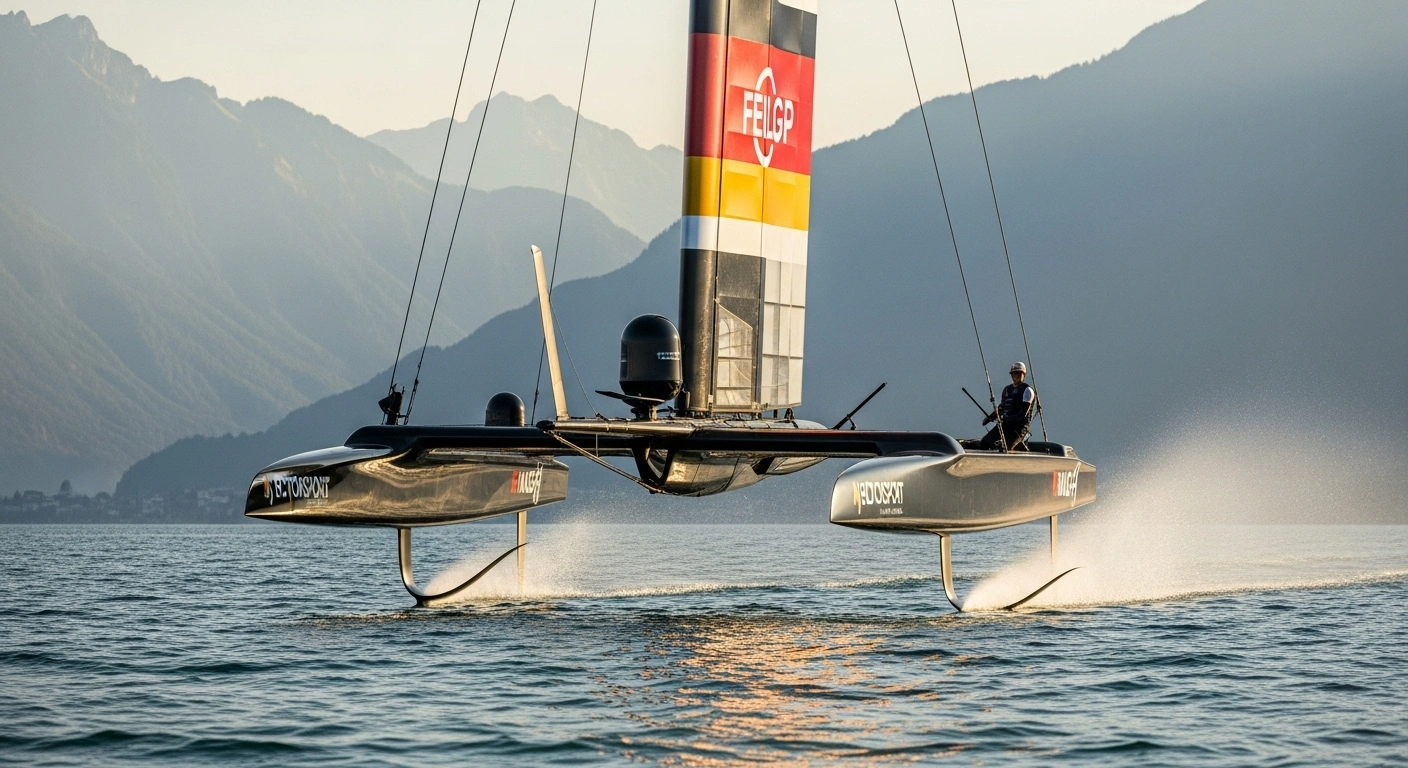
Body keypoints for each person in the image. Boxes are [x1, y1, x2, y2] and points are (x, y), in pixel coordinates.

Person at [980, 362, 1037, 451]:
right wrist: (990, 417)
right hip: (1005, 425)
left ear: (1023, 374)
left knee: (1005, 448)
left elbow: (1023, 414)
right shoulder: (1007, 390)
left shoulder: (1027, 390)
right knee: (985, 442)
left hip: (1019, 427)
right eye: (1013, 373)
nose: (1015, 376)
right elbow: (1001, 408)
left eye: (1018, 373)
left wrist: (1008, 419)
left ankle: (1020, 446)